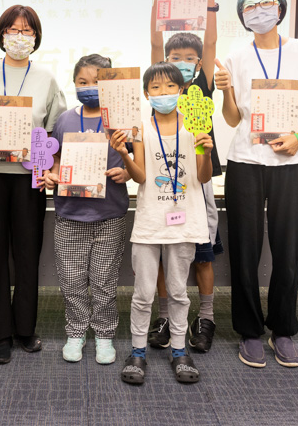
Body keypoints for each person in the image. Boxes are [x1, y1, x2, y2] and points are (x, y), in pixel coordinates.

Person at [215, 0, 298, 368]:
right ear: (242, 15)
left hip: (293, 161)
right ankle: (249, 331)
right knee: (245, 249)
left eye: (265, 3)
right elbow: (232, 119)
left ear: (280, 6)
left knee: (289, 249)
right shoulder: (235, 57)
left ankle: (283, 328)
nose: (258, 11)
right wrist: (225, 90)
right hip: (246, 161)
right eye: (249, 6)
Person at [0, 5, 66, 364]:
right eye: (13, 30)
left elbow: (54, 130)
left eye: (27, 31)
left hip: (29, 178)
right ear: (1, 34)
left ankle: (24, 327)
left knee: (27, 253)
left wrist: (51, 165)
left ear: (36, 37)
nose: (19, 37)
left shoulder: (47, 79)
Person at [113, 62, 214, 385]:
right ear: (146, 94)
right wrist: (124, 155)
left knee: (179, 292)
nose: (163, 92)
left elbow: (203, 177)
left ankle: (180, 351)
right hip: (149, 223)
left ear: (181, 90)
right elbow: (141, 176)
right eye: (155, 87)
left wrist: (206, 151)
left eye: (170, 86)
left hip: (185, 223)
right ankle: (137, 351)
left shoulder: (195, 126)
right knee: (143, 293)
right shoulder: (141, 128)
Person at [148, 0, 224, 353]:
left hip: (199, 180)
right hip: (165, 181)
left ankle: (205, 317)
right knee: (165, 254)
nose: (180, 63)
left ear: (198, 63)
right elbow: (153, 40)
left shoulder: (201, 86)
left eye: (188, 59)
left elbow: (210, 42)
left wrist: (209, 0)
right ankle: (164, 317)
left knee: (202, 255)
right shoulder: (160, 85)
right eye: (174, 57)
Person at [42, 54, 130, 365]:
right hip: (70, 214)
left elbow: (138, 159)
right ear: (74, 84)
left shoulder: (122, 119)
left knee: (105, 280)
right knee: (72, 280)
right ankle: (76, 332)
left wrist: (127, 173)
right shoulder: (65, 120)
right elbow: (55, 160)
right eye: (83, 82)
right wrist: (51, 174)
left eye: (97, 81)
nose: (90, 87)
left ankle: (104, 335)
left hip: (109, 215)